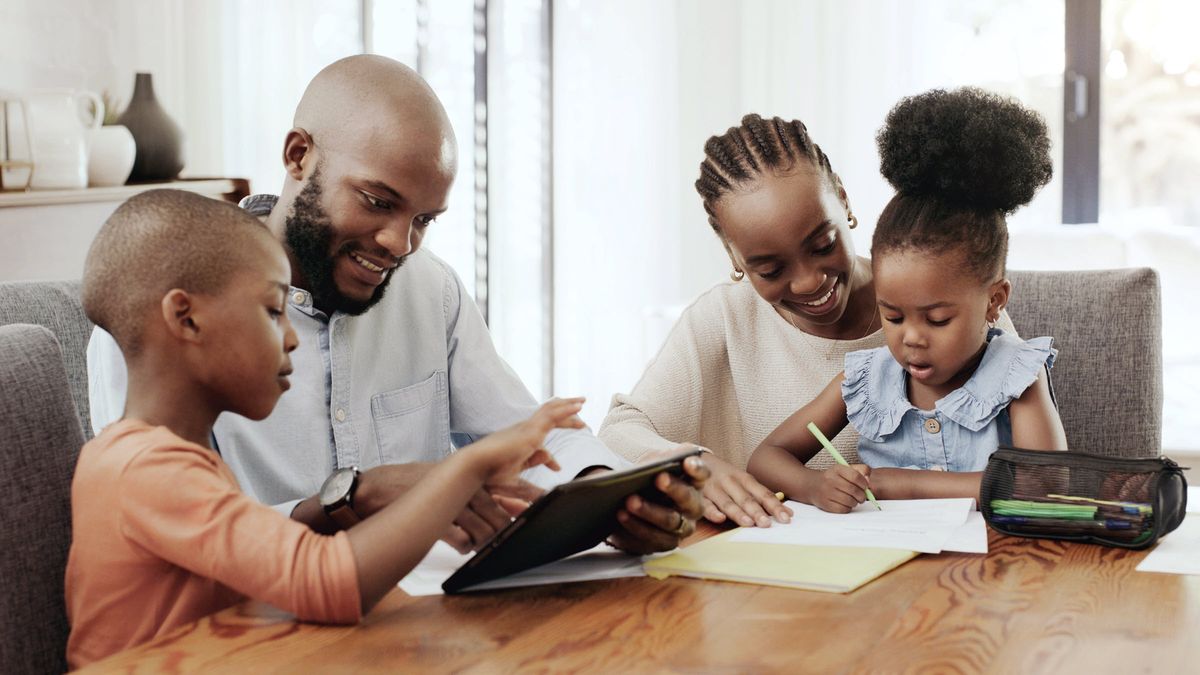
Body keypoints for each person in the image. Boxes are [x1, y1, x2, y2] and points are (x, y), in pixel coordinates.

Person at [86, 55, 706, 556]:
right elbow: (169, 529)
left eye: (425, 220)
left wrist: (603, 495)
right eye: (378, 202)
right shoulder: (165, 321)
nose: (399, 244)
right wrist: (352, 498)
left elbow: (523, 440)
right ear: (299, 156)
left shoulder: (428, 289)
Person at [66, 190, 590, 667]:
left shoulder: (165, 461)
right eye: (273, 312)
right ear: (187, 319)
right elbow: (328, 581)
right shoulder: (148, 472)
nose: (292, 339)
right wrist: (468, 466)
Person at [598, 112, 1018, 527]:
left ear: (843, 200)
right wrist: (692, 463)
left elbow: (1033, 463)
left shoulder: (944, 296)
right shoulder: (724, 318)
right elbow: (619, 430)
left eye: (822, 244)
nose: (808, 283)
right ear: (734, 257)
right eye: (770, 270)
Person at [747, 87, 1068, 512]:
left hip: (992, 567)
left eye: (936, 320)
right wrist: (812, 486)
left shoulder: (1015, 376)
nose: (911, 338)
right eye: (892, 316)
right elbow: (766, 458)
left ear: (994, 301)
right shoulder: (865, 381)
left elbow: (1043, 484)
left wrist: (903, 484)